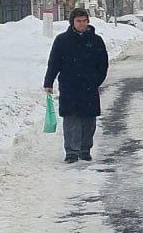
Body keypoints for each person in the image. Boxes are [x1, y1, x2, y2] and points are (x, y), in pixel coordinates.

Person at [44, 9, 109, 163]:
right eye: (78, 21)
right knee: (71, 119)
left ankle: (85, 149)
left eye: (84, 21)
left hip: (89, 87)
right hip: (69, 86)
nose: (82, 24)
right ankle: (72, 151)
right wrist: (49, 82)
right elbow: (54, 63)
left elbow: (103, 64)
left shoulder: (96, 41)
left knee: (89, 120)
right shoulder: (62, 40)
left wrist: (96, 80)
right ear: (72, 22)